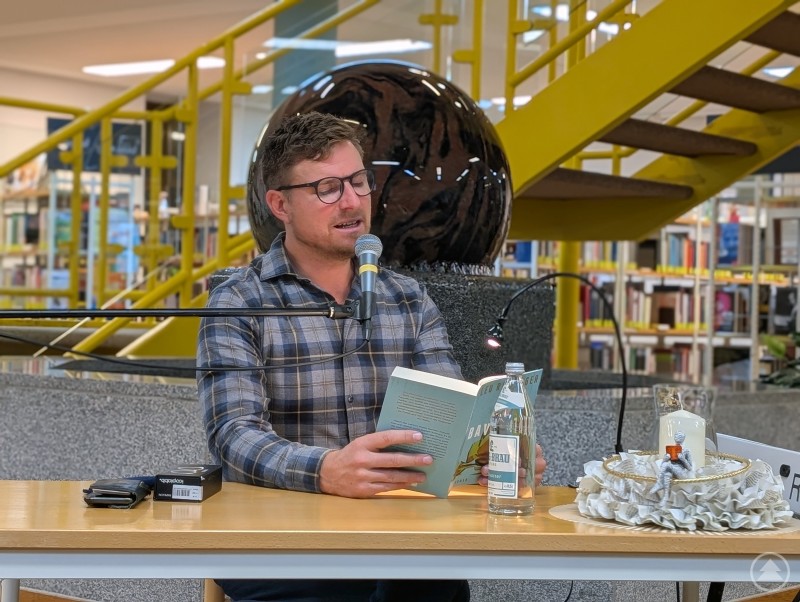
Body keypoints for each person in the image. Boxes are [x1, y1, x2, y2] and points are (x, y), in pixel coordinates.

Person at [197, 111, 547, 602]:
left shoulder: (408, 299)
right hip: (279, 535)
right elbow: (233, 435)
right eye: (327, 188)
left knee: (435, 590)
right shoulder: (240, 301)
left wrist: (493, 453)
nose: (352, 201)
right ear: (280, 204)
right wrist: (326, 471)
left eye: (359, 181)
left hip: (398, 528)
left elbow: (451, 412)